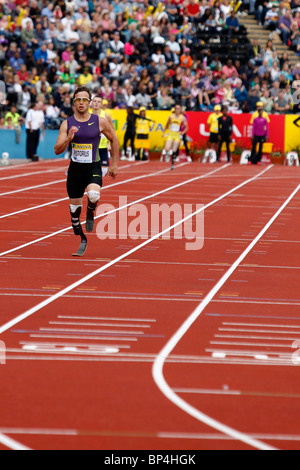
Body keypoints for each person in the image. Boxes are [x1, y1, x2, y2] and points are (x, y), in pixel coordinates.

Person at [54, 86, 119, 256]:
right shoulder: (67, 123)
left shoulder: (99, 121)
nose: (81, 103)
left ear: (89, 102)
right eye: (78, 100)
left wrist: (114, 165)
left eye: (84, 100)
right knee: (74, 212)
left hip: (93, 167)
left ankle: (91, 209)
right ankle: (78, 226)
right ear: (74, 103)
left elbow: (114, 139)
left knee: (94, 195)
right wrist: (68, 138)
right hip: (75, 170)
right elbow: (57, 150)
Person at [91, 95, 115, 176]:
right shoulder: (87, 115)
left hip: (103, 146)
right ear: (91, 103)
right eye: (95, 101)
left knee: (104, 170)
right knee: (90, 170)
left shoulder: (106, 116)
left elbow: (112, 131)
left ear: (101, 105)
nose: (96, 104)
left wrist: (109, 144)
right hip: (91, 147)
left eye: (99, 102)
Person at [161, 104, 188, 170]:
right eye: (176, 108)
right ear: (174, 109)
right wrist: (163, 133)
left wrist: (182, 132)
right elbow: (167, 125)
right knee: (167, 148)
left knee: (174, 150)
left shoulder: (182, 117)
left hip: (177, 135)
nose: (177, 110)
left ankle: (172, 163)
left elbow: (187, 127)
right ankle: (168, 155)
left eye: (178, 108)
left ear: (180, 110)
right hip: (170, 134)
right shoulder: (171, 116)